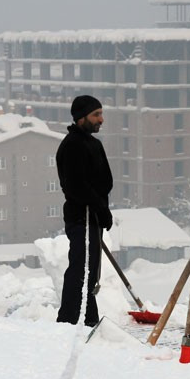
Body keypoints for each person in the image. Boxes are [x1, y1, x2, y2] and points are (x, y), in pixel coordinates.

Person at [55, 95, 113, 327]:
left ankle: (89, 318)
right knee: (81, 269)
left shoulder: (93, 144)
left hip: (94, 216)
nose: (101, 119)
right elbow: (76, 186)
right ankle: (68, 320)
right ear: (81, 118)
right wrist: (99, 208)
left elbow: (103, 181)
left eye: (101, 113)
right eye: (96, 115)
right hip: (82, 217)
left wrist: (103, 210)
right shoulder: (72, 146)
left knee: (91, 271)